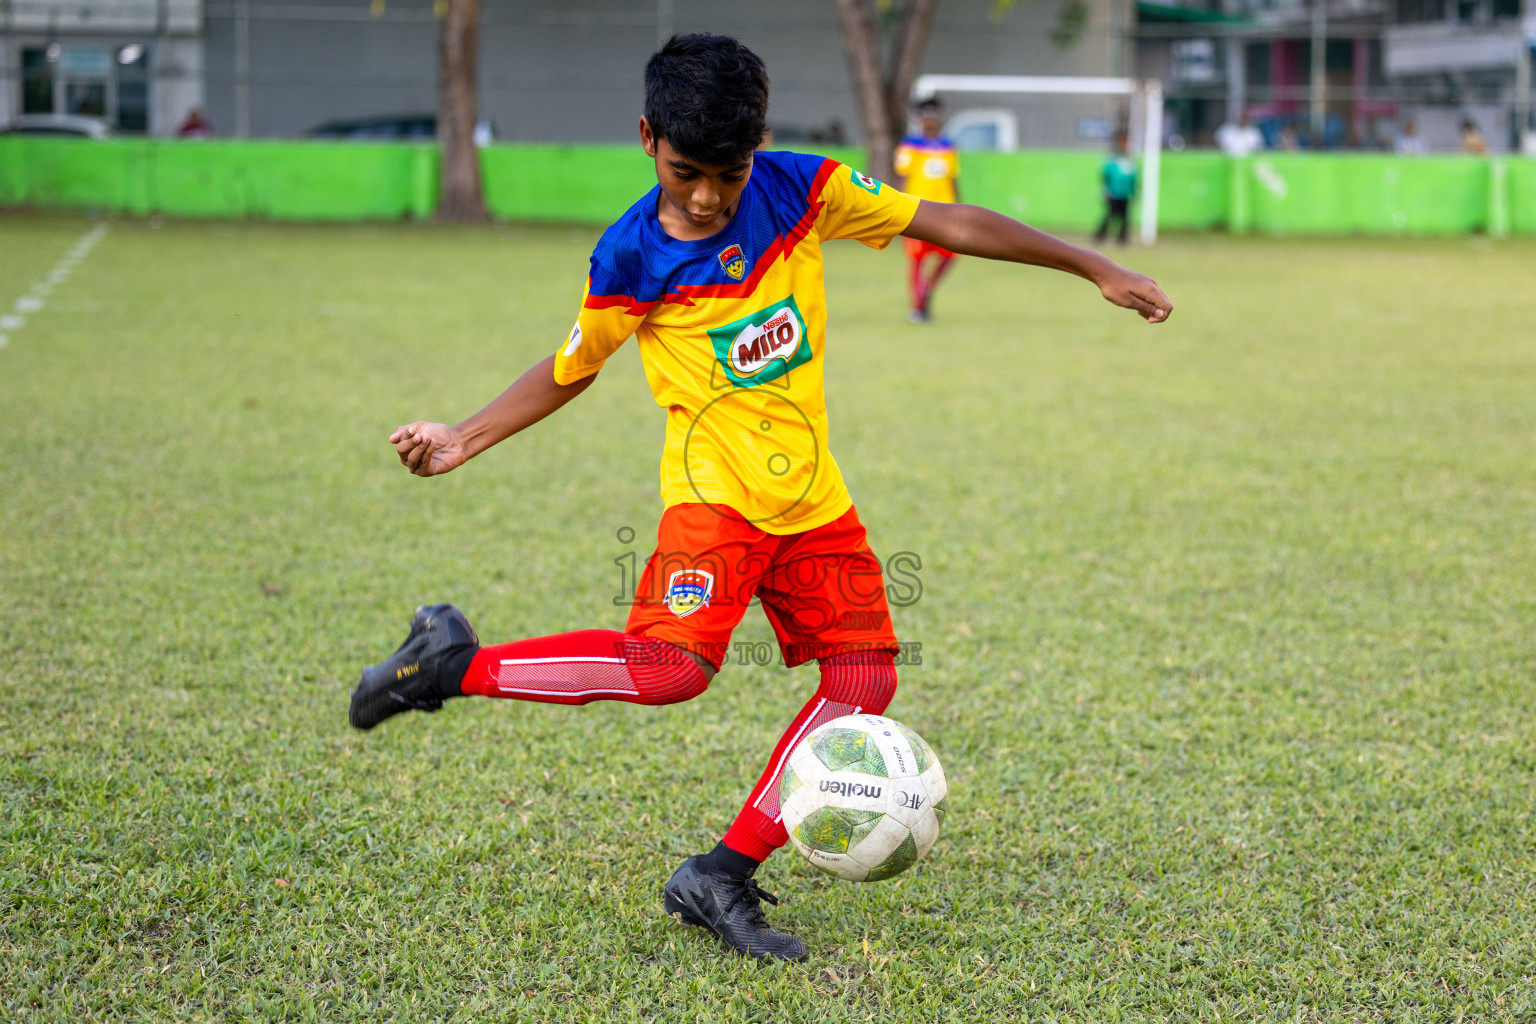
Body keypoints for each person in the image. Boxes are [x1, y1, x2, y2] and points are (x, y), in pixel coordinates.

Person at [349, 33, 1171, 963]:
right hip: (714, 503)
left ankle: (720, 872)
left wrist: (1092, 265)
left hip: (816, 501)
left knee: (863, 682)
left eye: (726, 173)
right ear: (648, 137)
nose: (704, 195)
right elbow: (571, 368)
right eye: (685, 170)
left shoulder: (803, 190)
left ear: (760, 147)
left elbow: (948, 223)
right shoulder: (629, 257)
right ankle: (451, 664)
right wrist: (465, 435)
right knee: (671, 672)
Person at [893, 98, 960, 322]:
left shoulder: (948, 146)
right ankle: (918, 306)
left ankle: (927, 289)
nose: (930, 120)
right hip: (918, 211)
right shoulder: (910, 145)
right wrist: (896, 209)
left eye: (934, 115)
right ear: (919, 119)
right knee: (918, 259)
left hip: (946, 212)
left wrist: (959, 206)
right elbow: (902, 177)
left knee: (951, 255)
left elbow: (952, 179)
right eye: (925, 115)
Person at [1094, 131, 1138, 246]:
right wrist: (1105, 190)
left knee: (1125, 218)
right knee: (1109, 216)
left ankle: (1122, 239)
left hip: (1125, 193)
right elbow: (1106, 175)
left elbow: (1133, 178)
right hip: (1114, 192)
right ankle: (1100, 236)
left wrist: (1134, 192)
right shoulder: (1112, 158)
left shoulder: (1130, 160)